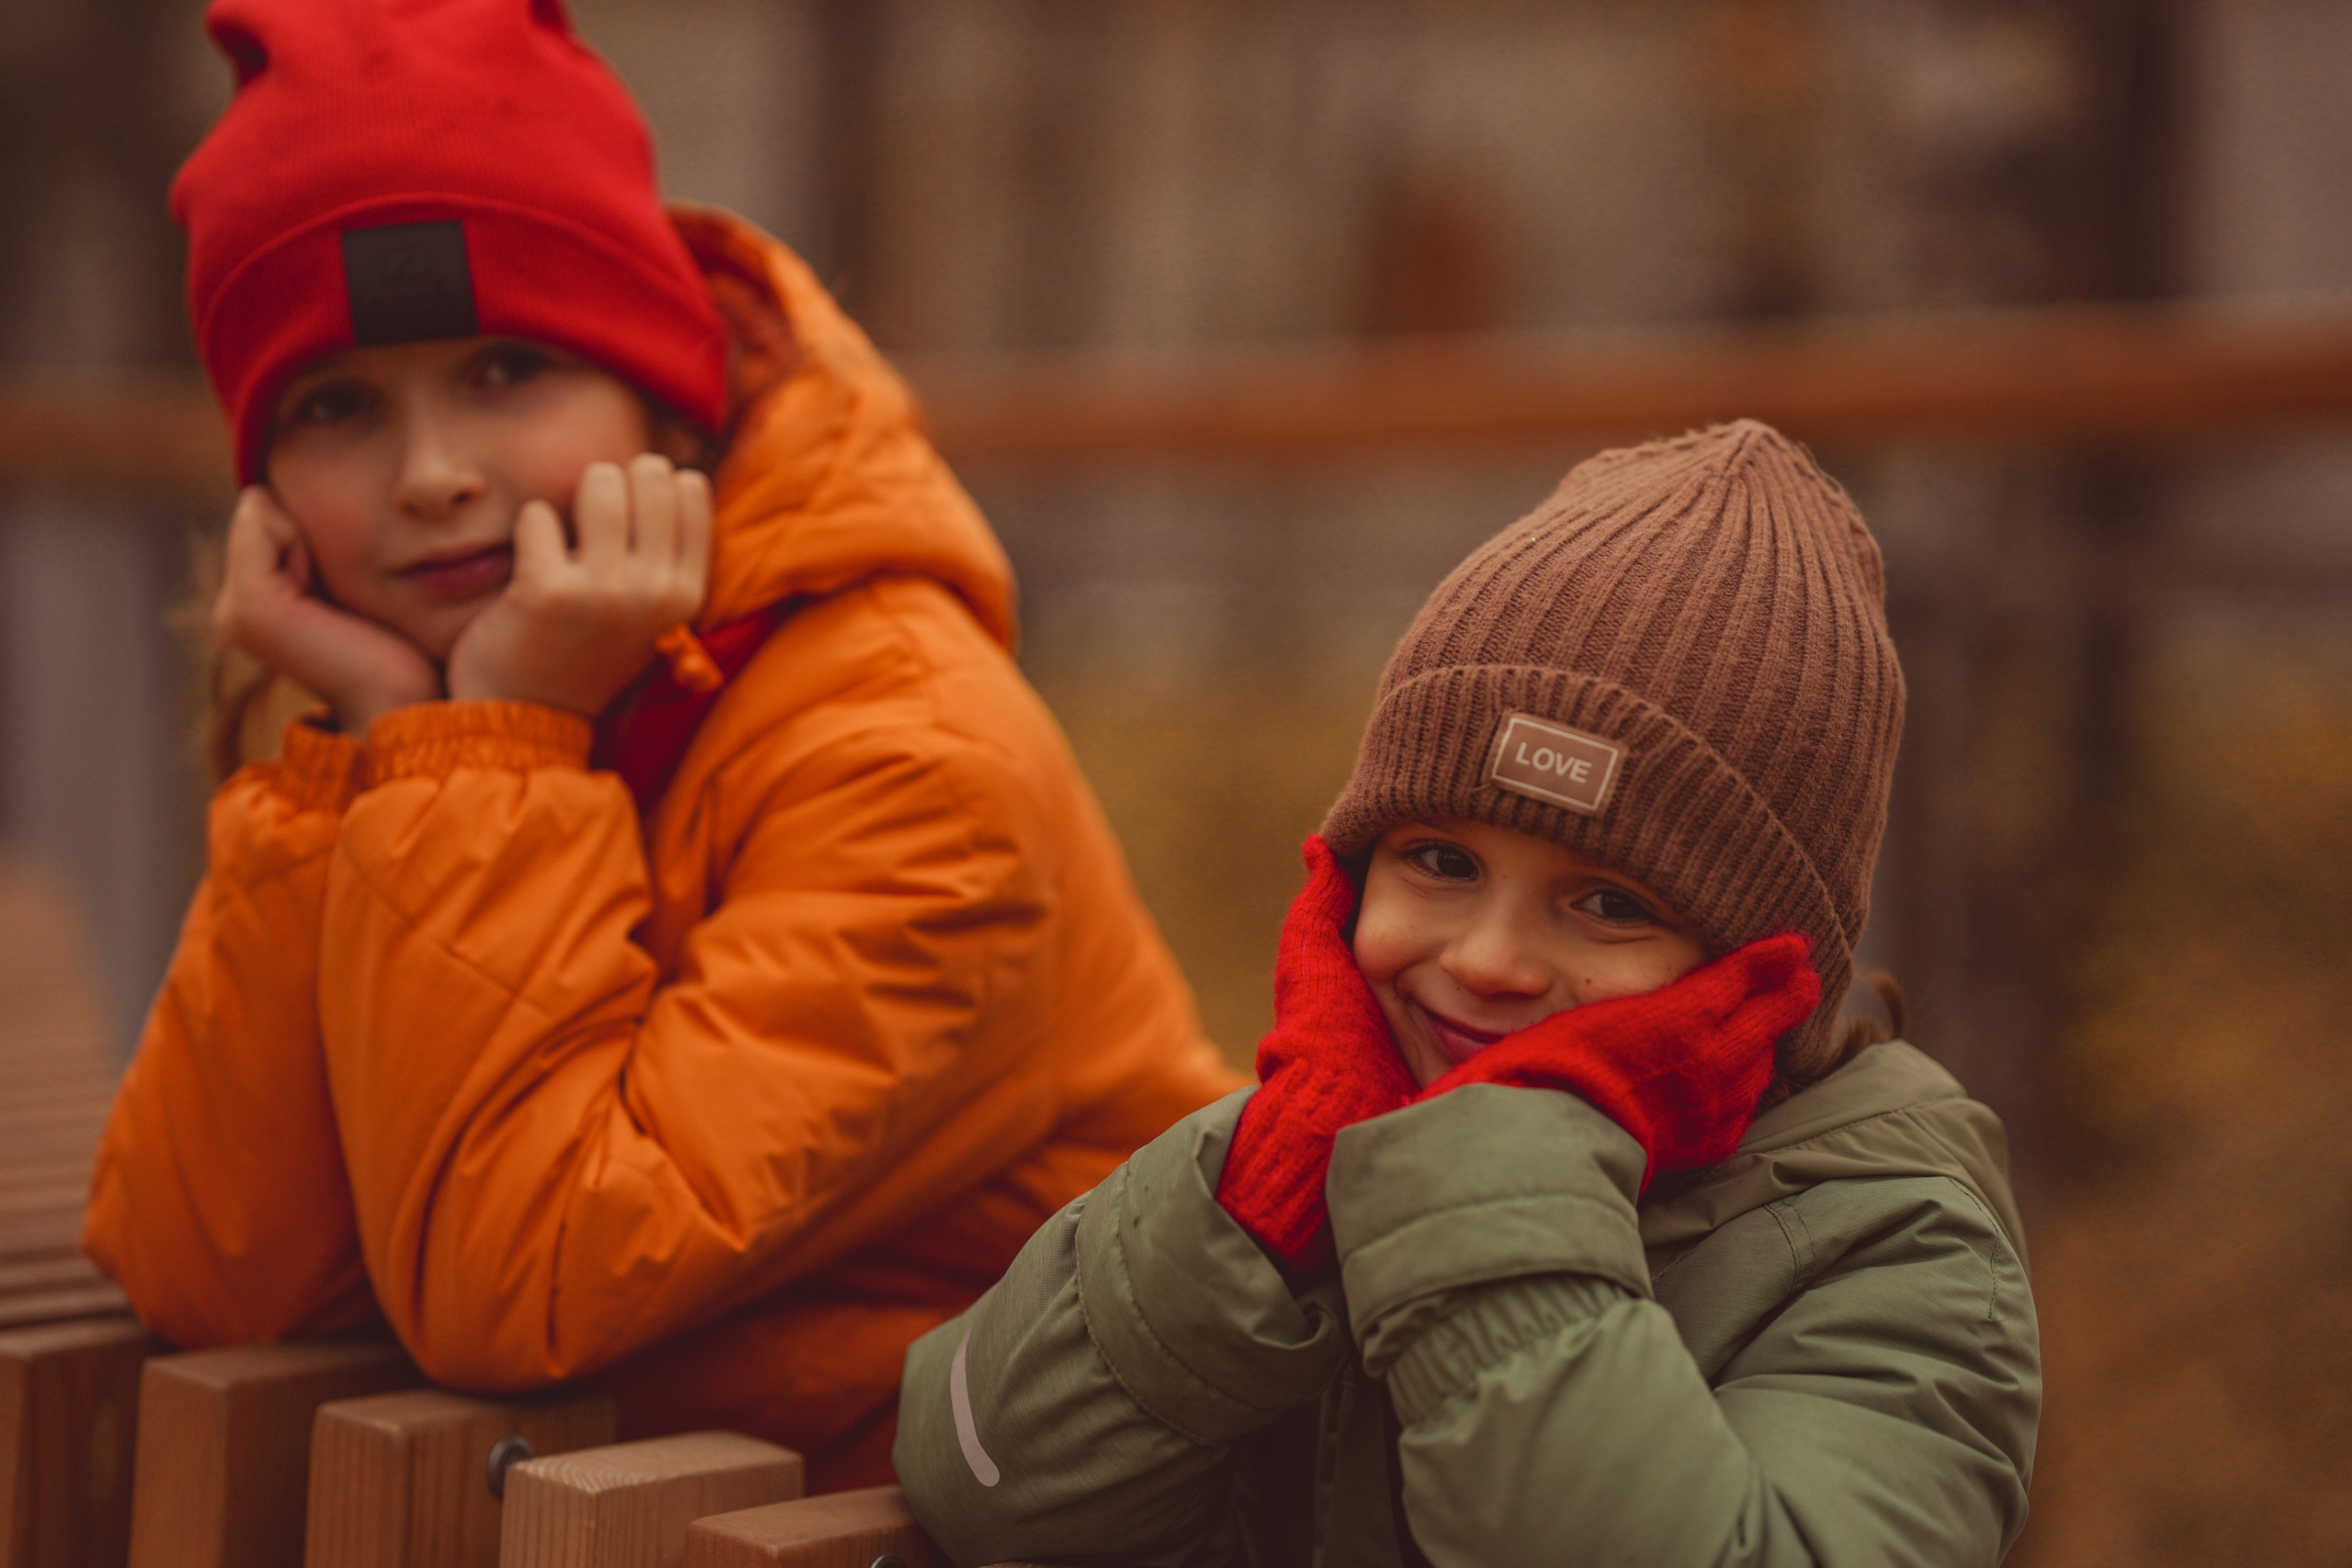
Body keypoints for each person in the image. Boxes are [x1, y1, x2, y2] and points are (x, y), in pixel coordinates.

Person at [82, 0, 1238, 1488]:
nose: (433, 474)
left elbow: (522, 1289)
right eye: (338, 405)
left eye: (507, 372)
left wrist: (480, 748)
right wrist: (379, 751)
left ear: (668, 396)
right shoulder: (442, 726)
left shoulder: (909, 756)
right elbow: (212, 1275)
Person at [895, 422, 2041, 1564]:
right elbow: (989, 1481)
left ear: (1760, 980)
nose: (1489, 961)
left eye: (1609, 905)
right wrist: (1263, 1198)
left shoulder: (1898, 1258)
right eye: (1440, 863)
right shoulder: (1328, 1137)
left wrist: (1487, 1186)